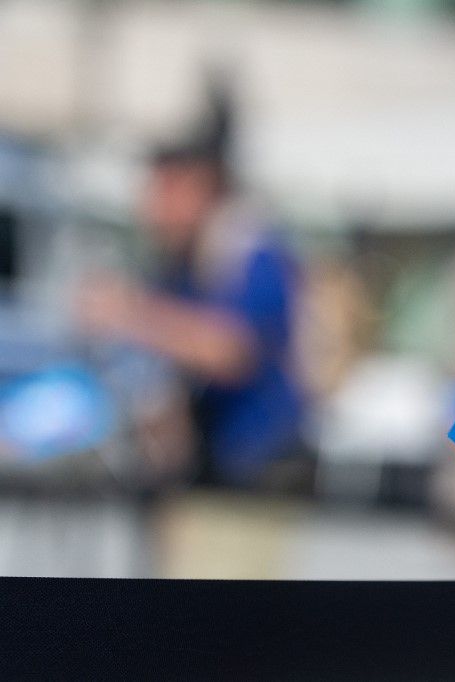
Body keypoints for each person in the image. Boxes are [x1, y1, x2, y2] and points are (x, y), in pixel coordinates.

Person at [78, 86, 307, 489]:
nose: (151, 207)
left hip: (259, 475)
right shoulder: (180, 264)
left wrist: (129, 312)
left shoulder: (249, 251)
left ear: (202, 186)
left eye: (165, 190)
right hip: (206, 472)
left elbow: (229, 350)